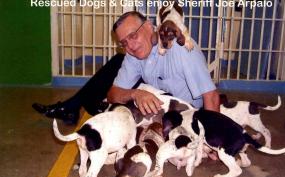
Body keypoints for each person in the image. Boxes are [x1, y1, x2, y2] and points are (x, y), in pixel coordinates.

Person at [33, 11, 219, 124]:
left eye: (133, 36)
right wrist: (134, 94)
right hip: (160, 107)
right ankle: (78, 106)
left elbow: (210, 96)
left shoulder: (178, 46)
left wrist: (214, 141)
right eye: (124, 42)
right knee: (119, 62)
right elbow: (114, 93)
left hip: (185, 114)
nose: (130, 45)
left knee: (116, 65)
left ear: (148, 26)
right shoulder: (134, 53)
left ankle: (74, 107)